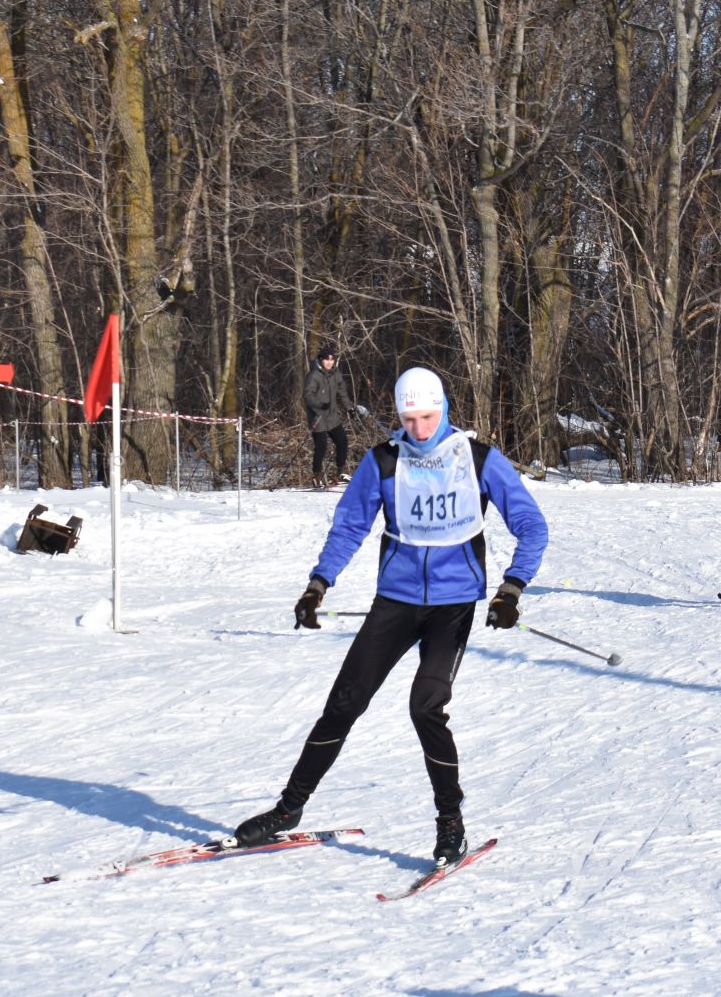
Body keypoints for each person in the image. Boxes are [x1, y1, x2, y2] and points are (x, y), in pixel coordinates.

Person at [234, 366, 549, 866]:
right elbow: (349, 526)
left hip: (452, 605)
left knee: (426, 707)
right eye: (410, 418)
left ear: (443, 409)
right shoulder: (383, 461)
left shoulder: (478, 459)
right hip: (396, 602)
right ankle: (288, 809)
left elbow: (532, 525)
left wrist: (512, 588)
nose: (420, 429)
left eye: (428, 417)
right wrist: (318, 584)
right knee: (343, 703)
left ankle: (451, 823)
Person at [303, 348, 354, 486]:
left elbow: (342, 391)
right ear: (321, 360)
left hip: (331, 416)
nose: (329, 363)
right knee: (321, 446)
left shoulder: (335, 373)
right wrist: (319, 405)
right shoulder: (314, 375)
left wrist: (349, 408)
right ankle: (316, 476)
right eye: (327, 359)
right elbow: (308, 396)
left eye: (332, 360)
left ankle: (340, 473)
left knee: (342, 441)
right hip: (318, 416)